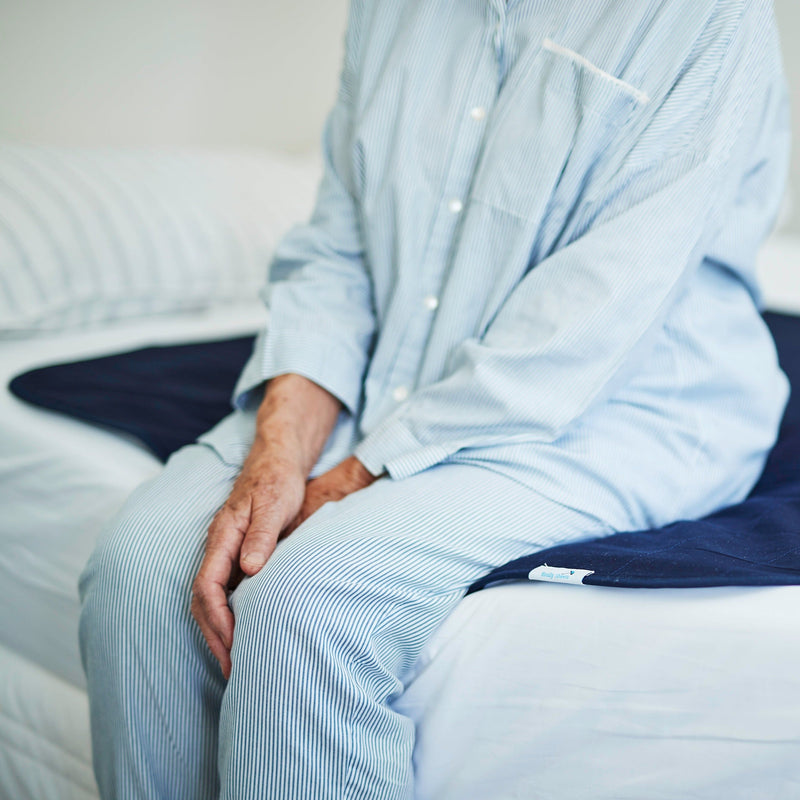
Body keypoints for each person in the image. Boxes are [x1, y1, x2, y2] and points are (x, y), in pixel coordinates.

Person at [79, 1, 790, 797]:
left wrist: (345, 484)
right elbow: (337, 249)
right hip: (398, 369)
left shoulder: (708, 17)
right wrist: (280, 454)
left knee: (304, 608)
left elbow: (594, 316)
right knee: (138, 567)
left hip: (614, 405)